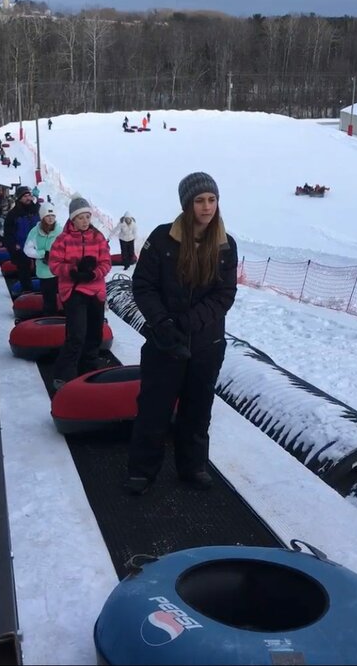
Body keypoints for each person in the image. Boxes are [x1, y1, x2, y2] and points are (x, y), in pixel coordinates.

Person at [124, 172, 238, 495]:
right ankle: (142, 471)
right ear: (187, 204)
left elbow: (224, 295)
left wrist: (188, 322)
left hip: (206, 343)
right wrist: (163, 323)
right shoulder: (162, 240)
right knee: (153, 408)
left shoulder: (226, 245)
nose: (207, 207)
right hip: (164, 343)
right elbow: (143, 285)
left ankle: (193, 466)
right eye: (199, 201)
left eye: (211, 200)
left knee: (198, 408)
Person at [49, 195, 112, 388]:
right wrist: (73, 271)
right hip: (74, 291)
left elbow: (106, 262)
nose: (85, 221)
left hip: (95, 291)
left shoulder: (98, 237)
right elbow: (54, 264)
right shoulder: (63, 240)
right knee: (77, 334)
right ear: (72, 219)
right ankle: (64, 374)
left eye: (87, 216)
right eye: (80, 217)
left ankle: (89, 370)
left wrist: (93, 274)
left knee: (94, 334)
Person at [24, 203, 62, 315]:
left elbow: (67, 248)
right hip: (44, 271)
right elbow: (27, 249)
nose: (50, 218)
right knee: (48, 299)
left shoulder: (60, 231)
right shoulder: (35, 232)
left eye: (53, 216)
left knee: (64, 297)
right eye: (48, 216)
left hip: (59, 270)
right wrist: (43, 254)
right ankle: (50, 319)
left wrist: (56, 256)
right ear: (42, 217)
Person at [3, 186, 40, 292]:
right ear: (19, 198)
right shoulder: (13, 215)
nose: (28, 198)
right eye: (25, 196)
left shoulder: (37, 210)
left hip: (38, 248)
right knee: (24, 273)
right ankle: (27, 292)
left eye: (29, 195)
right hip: (21, 250)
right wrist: (14, 247)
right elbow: (8, 234)